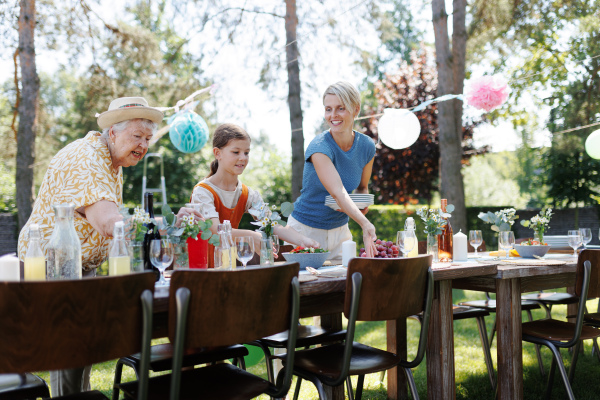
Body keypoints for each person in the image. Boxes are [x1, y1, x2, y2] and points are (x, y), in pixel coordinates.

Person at [17, 96, 200, 397]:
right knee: (70, 357)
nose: (143, 145)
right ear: (113, 132)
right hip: (51, 268)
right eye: (137, 136)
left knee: (82, 354)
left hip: (76, 266)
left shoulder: (110, 160)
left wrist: (166, 222)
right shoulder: (87, 158)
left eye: (148, 138)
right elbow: (109, 223)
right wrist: (167, 224)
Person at [190, 123, 319, 267]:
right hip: (201, 270)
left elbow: (271, 223)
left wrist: (304, 241)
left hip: (227, 267)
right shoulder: (203, 192)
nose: (243, 158)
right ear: (217, 153)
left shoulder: (247, 194)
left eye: (246, 152)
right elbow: (214, 230)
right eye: (236, 152)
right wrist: (251, 236)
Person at [288, 81, 378, 261]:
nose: (333, 115)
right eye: (328, 109)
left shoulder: (366, 146)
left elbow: (362, 187)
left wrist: (361, 206)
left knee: (347, 286)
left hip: (341, 234)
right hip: (305, 232)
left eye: (341, 108)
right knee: (309, 287)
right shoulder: (319, 147)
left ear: (355, 109)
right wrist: (365, 224)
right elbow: (337, 192)